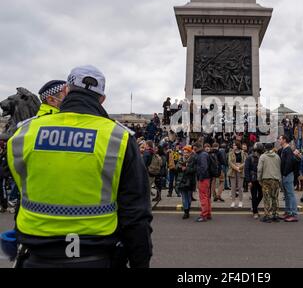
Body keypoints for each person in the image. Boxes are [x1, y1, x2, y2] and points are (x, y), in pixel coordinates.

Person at [7, 65, 152, 268]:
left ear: (66, 90)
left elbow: (22, 193)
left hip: (36, 255)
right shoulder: (118, 137)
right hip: (97, 256)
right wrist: (140, 263)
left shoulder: (26, 132)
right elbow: (135, 214)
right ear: (102, 98)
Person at [257, 143, 282, 223]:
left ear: (265, 148)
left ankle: (267, 216)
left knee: (267, 198)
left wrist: (259, 179)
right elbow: (279, 168)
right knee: (275, 198)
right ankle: (275, 215)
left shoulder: (263, 156)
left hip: (266, 179)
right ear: (273, 148)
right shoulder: (277, 157)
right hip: (275, 179)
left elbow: (259, 169)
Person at [279, 135, 298, 222]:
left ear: (284, 140)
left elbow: (289, 163)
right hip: (284, 175)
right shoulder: (284, 149)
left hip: (288, 175)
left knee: (290, 194)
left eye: (280, 139)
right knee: (286, 195)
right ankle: (288, 212)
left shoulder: (288, 150)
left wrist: (285, 173)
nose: (279, 140)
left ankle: (293, 214)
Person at [176, 146, 197, 219]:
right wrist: (180, 168)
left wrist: (186, 169)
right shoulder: (180, 159)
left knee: (189, 197)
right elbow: (176, 168)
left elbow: (194, 170)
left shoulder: (193, 160)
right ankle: (186, 212)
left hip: (190, 181)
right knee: (184, 198)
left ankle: (187, 209)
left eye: (187, 152)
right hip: (181, 180)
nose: (185, 154)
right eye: (184, 152)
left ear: (190, 153)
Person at [245, 143, 264, 219]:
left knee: (261, 195)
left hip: (260, 178)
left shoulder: (262, 157)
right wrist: (248, 181)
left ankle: (254, 207)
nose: (260, 152)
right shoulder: (249, 157)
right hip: (253, 179)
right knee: (254, 196)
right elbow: (246, 170)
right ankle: (255, 212)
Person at [194, 143, 211, 222]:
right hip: (206, 178)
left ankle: (204, 215)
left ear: (198, 148)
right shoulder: (204, 154)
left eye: (194, 149)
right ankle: (208, 213)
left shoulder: (202, 155)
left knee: (203, 197)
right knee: (206, 196)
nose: (194, 150)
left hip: (203, 178)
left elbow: (204, 167)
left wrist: (200, 177)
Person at [228, 141, 247, 208]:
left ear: (238, 146)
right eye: (233, 145)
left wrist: (239, 167)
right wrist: (236, 168)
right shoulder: (230, 153)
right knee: (233, 187)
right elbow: (230, 162)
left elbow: (245, 162)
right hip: (233, 171)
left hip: (240, 170)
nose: (233, 146)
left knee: (240, 187)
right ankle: (233, 202)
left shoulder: (243, 153)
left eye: (235, 145)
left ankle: (240, 201)